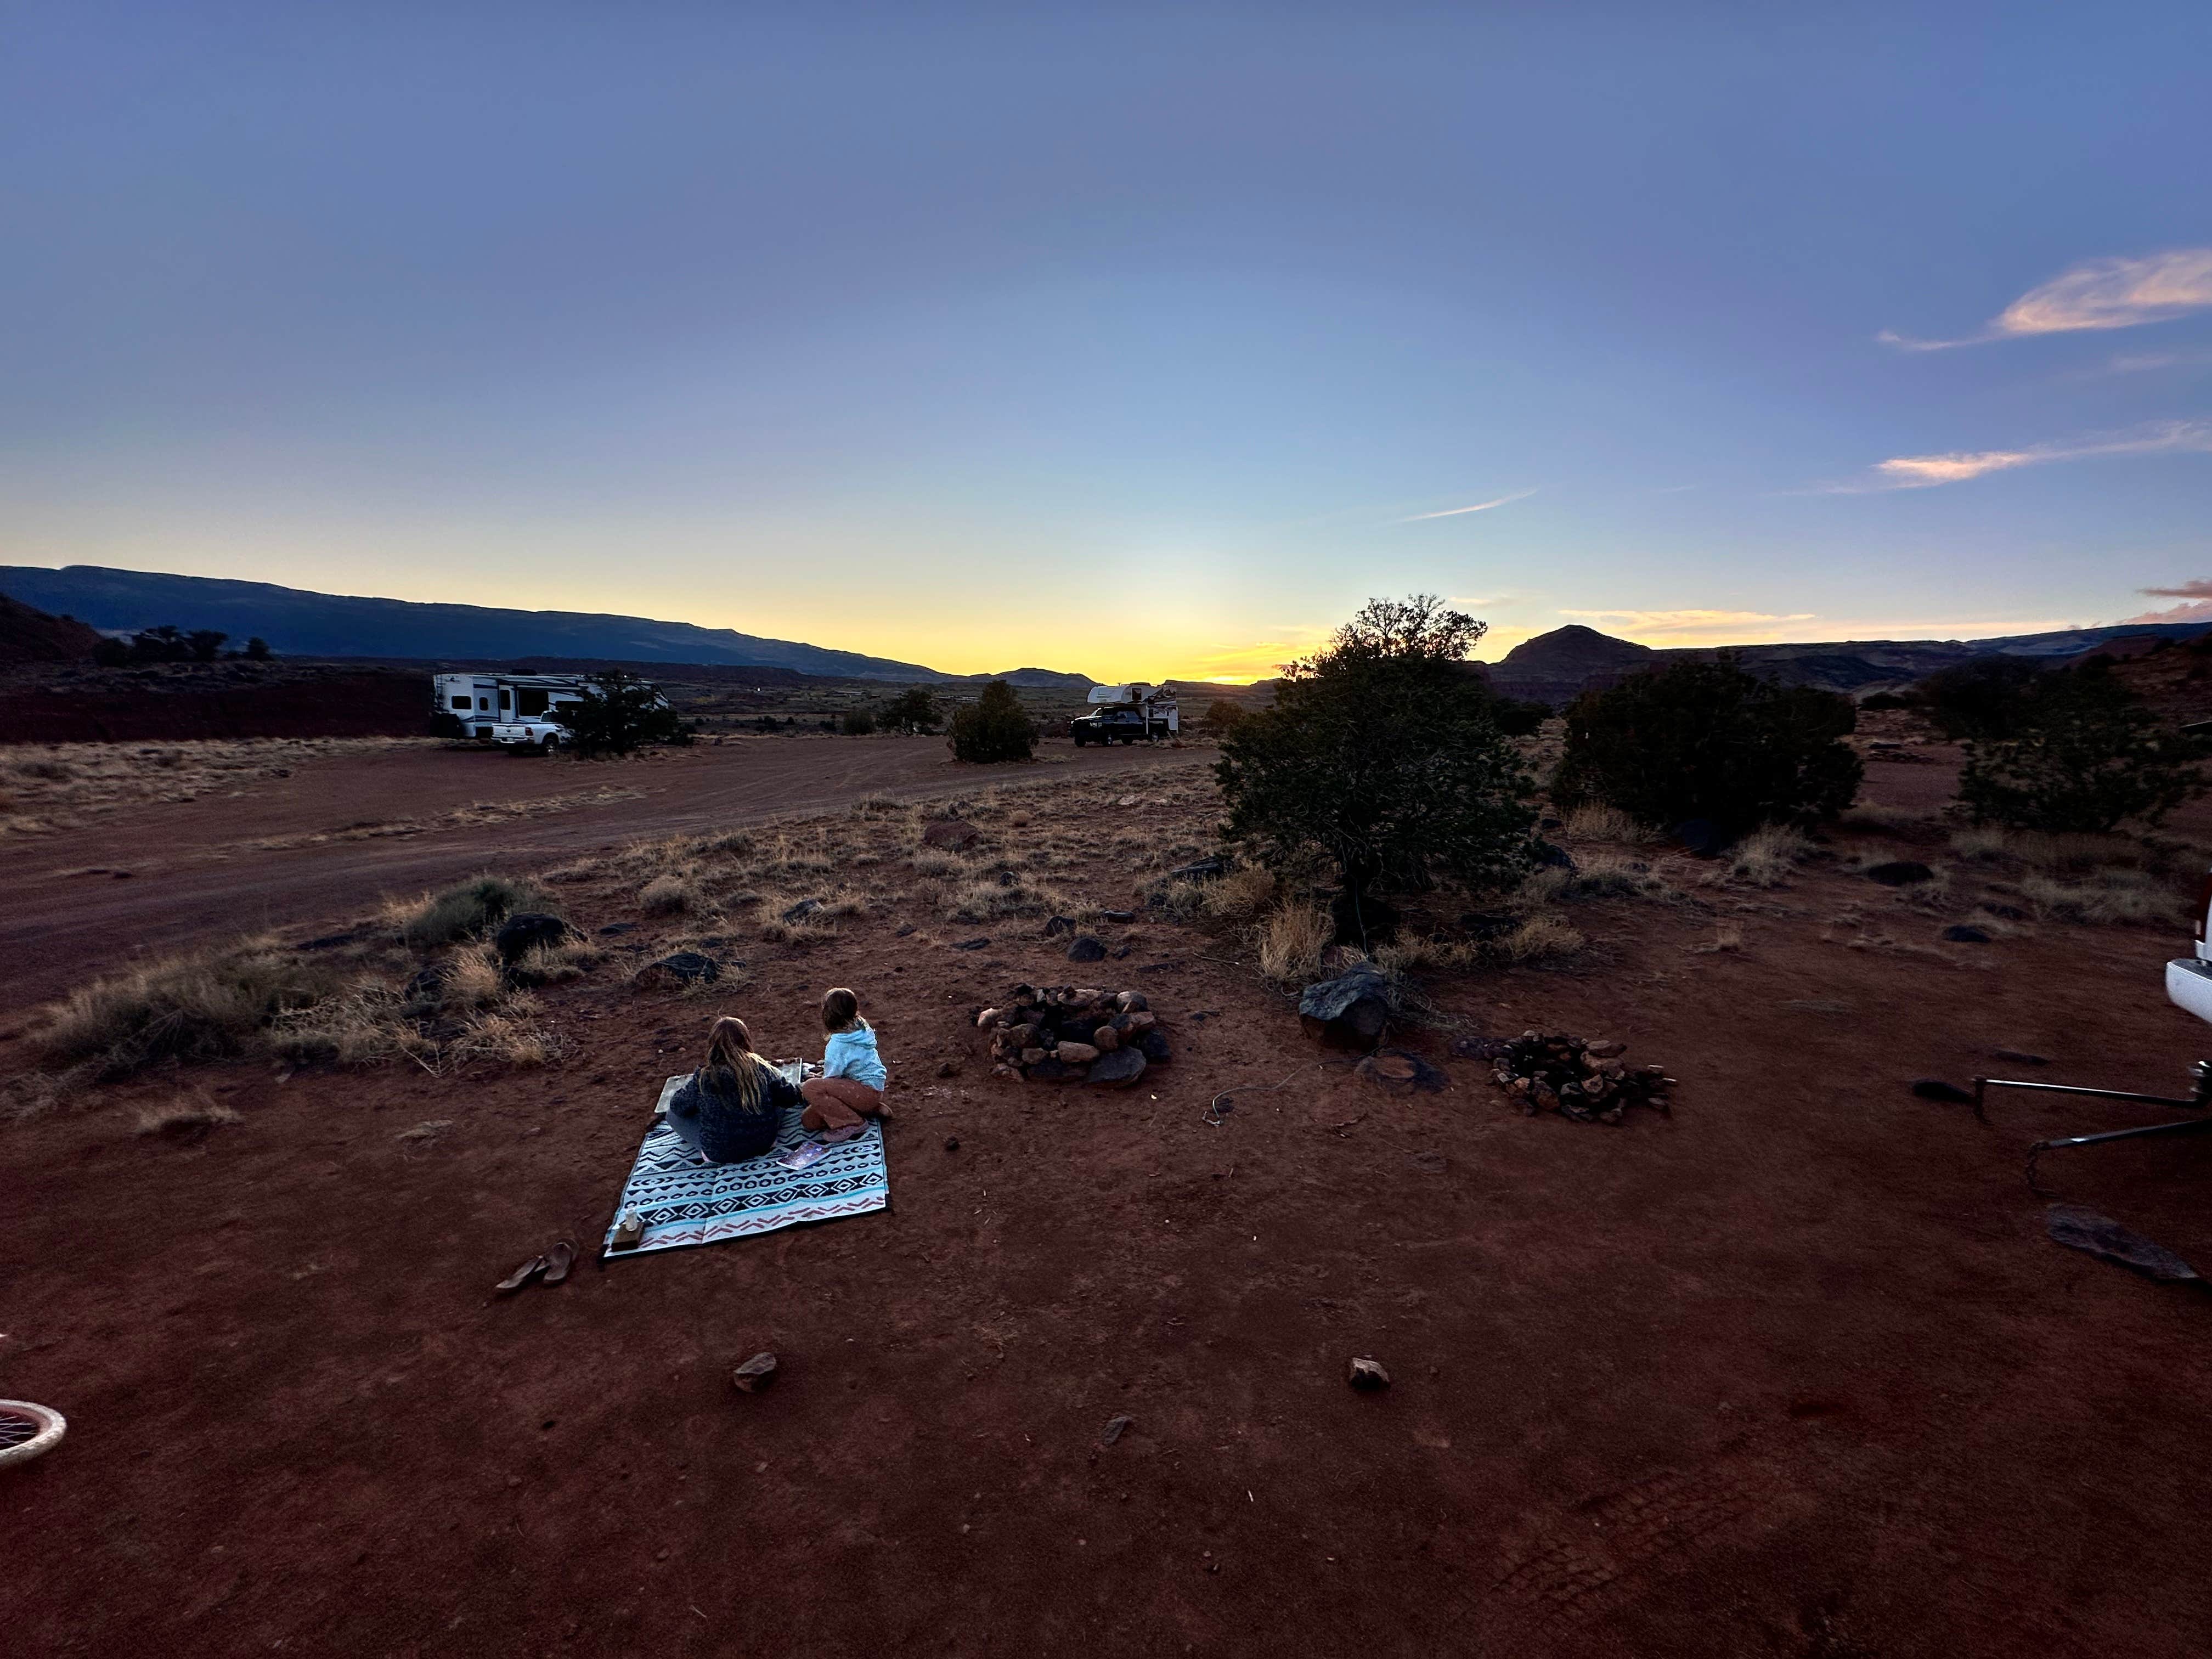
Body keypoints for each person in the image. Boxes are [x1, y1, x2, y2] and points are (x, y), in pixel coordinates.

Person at [664, 1016, 800, 1164]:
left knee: (672, 1115)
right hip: (764, 1143)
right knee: (778, 1102)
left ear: (712, 1045)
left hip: (720, 1153)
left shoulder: (705, 1076)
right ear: (746, 1040)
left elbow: (678, 1107)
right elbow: (790, 1098)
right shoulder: (762, 1068)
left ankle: (715, 1144)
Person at [800, 986, 891, 1143]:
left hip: (865, 1091)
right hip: (871, 1090)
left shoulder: (838, 1045)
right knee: (810, 1121)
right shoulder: (861, 1027)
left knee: (811, 1088)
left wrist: (817, 1080)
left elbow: (832, 1077)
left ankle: (854, 1123)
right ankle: (870, 1109)